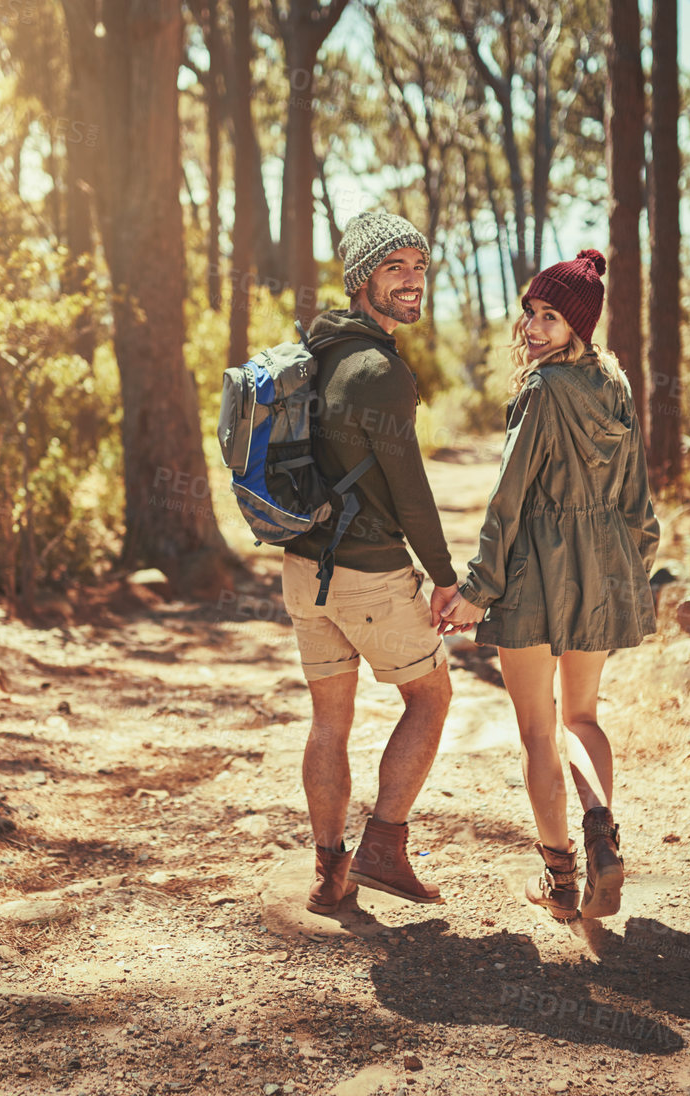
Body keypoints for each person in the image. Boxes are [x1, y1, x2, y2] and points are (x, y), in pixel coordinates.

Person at [440, 249, 660, 922]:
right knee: (583, 717)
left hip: (535, 570)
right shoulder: (614, 387)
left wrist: (478, 586)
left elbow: (508, 500)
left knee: (539, 730)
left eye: (551, 317)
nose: (534, 329)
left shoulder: (539, 392)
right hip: (602, 566)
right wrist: (634, 566)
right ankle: (602, 830)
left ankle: (562, 879)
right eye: (531, 314)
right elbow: (637, 499)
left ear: (579, 326)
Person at [285, 211, 459, 915]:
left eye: (418, 265)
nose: (413, 280)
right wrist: (446, 576)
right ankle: (383, 845)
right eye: (395, 268)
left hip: (304, 572)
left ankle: (331, 872)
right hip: (367, 574)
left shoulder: (319, 351)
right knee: (432, 695)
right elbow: (409, 490)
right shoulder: (379, 371)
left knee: (331, 719)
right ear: (362, 281)